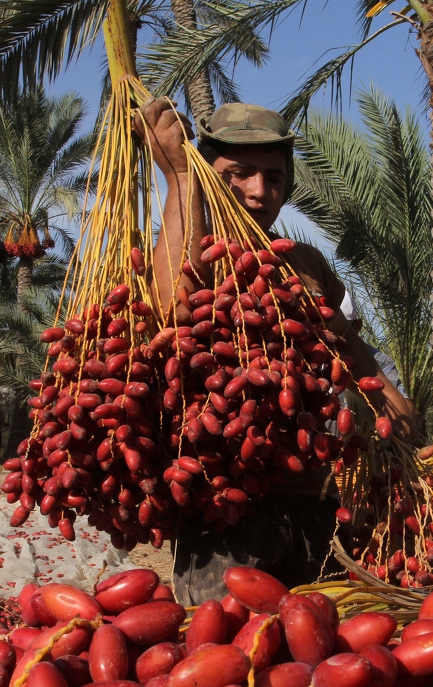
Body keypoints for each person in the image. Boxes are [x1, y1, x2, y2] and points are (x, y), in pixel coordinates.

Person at [139, 100, 416, 606]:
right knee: (230, 657)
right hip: (227, 512)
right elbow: (172, 306)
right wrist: (179, 176)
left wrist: (394, 408)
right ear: (207, 172)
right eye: (238, 174)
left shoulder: (304, 263)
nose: (258, 192)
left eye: (274, 177)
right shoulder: (192, 251)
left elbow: (349, 351)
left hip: (315, 502)